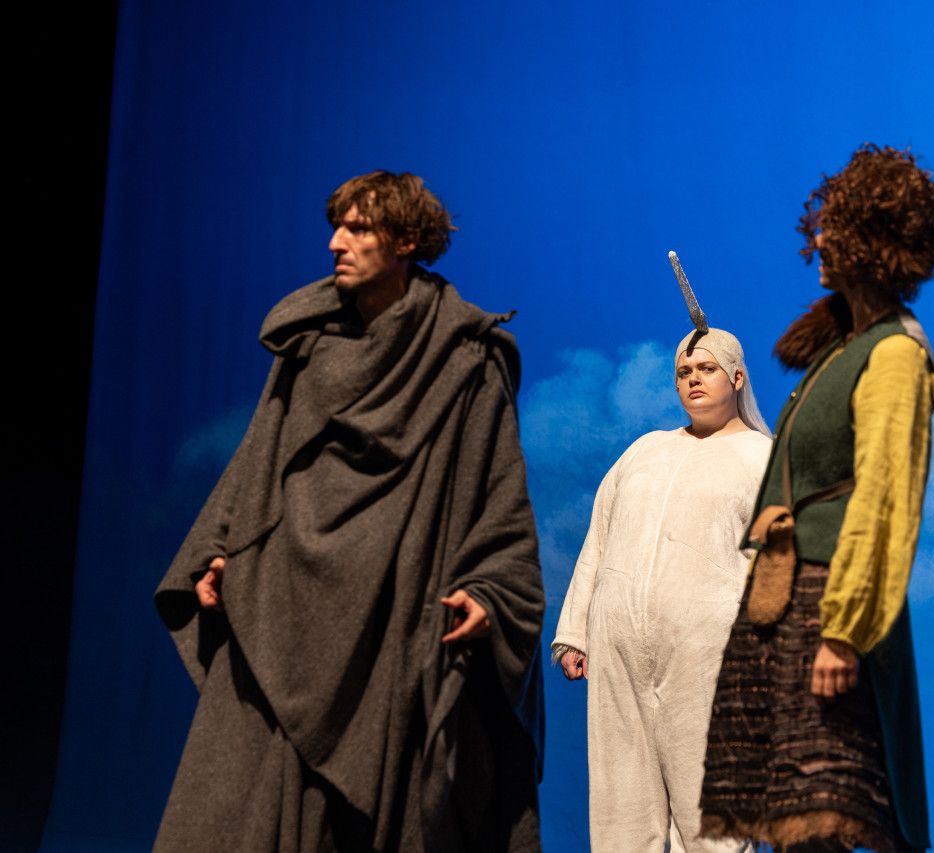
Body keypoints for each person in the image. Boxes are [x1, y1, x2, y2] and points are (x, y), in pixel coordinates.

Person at [153, 171, 545, 852]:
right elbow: (260, 458)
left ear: (407, 240)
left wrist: (491, 589)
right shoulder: (308, 344)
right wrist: (219, 547)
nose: (336, 243)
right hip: (284, 602)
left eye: (358, 228)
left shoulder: (464, 358)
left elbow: (497, 490)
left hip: (392, 613)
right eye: (336, 227)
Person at [699, 145, 934, 853]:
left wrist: (844, 631)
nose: (818, 237)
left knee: (821, 824)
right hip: (784, 606)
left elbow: (884, 502)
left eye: (836, 225)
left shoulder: (895, 354)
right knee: (790, 827)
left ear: (874, 240)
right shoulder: (840, 351)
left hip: (829, 609)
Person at [551, 326, 772, 853]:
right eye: (683, 372)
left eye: (707, 369)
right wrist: (574, 632)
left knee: (712, 816)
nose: (693, 379)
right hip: (618, 652)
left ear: (737, 377)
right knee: (621, 812)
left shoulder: (763, 457)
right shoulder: (644, 451)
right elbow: (599, 539)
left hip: (709, 655)